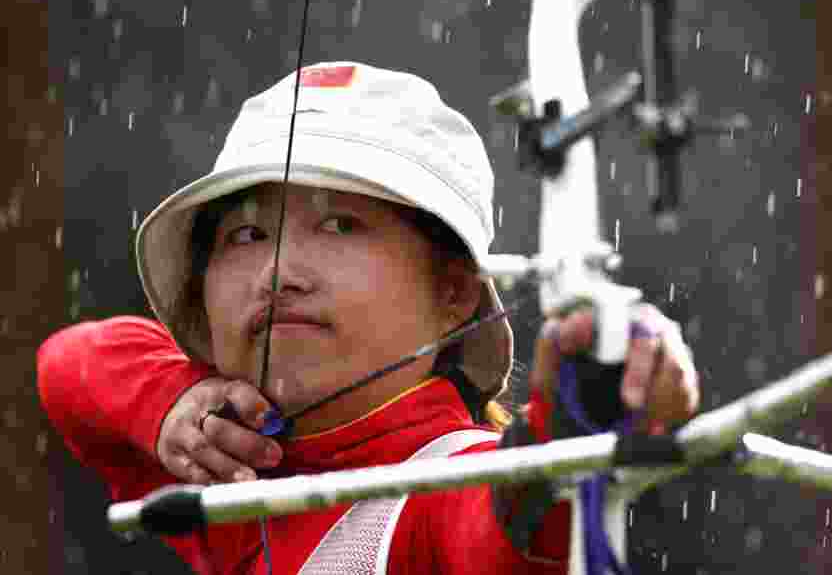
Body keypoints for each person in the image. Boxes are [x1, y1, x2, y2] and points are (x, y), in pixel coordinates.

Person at [38, 61, 699, 575]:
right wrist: (170, 403)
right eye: (245, 237)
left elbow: (506, 524)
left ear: (454, 293)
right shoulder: (234, 468)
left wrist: (577, 417)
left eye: (340, 224)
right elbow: (68, 365)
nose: (278, 272)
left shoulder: (446, 484)